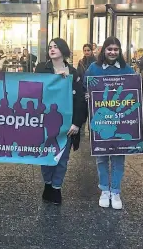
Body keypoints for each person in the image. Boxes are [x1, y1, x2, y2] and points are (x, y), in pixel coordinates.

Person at [83, 36, 135, 210]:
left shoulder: (128, 70)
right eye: (109, 49)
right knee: (102, 158)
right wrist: (88, 96)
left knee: (119, 158)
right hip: (101, 120)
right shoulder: (94, 68)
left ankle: (116, 191)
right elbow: (85, 87)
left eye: (116, 49)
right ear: (103, 50)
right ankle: (104, 189)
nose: (112, 52)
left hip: (121, 121)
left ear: (120, 51)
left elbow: (134, 93)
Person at [35, 38, 87, 205]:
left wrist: (77, 123)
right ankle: (48, 184)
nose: (52, 49)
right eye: (50, 47)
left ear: (63, 50)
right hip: (45, 122)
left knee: (62, 158)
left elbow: (80, 100)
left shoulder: (73, 71)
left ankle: (57, 187)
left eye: (56, 47)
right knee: (46, 156)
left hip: (66, 124)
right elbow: (35, 90)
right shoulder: (42, 68)